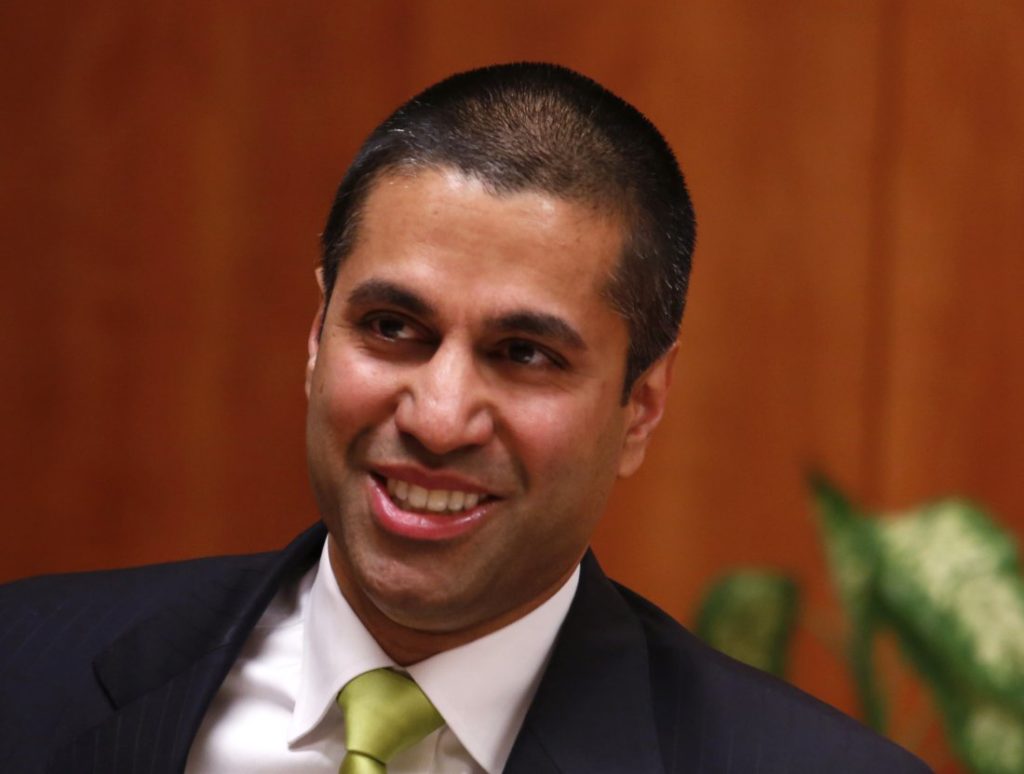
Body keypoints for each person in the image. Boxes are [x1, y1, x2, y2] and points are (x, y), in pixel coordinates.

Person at [0, 63, 930, 773]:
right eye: (393, 328)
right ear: (318, 338)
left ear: (641, 406)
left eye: (525, 354)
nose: (440, 419)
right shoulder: (25, 671)